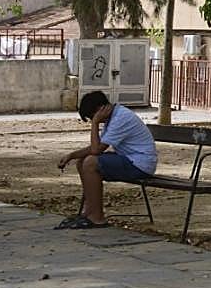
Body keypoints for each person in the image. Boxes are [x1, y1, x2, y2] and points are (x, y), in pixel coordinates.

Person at [55, 91, 157, 229]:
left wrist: (96, 123)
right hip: (129, 159)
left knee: (91, 163)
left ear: (100, 109)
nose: (93, 120)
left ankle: (97, 218)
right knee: (82, 161)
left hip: (140, 165)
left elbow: (96, 150)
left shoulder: (120, 118)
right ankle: (89, 211)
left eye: (92, 116)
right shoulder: (113, 117)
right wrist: (72, 155)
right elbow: (95, 147)